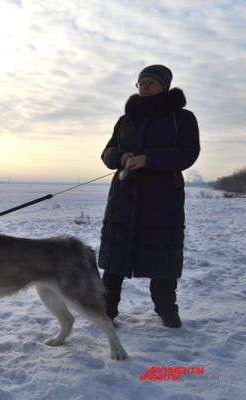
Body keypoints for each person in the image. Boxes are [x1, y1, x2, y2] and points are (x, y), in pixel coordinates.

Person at [98, 64, 200, 328]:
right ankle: (105, 312)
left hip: (163, 199)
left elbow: (188, 153)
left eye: (150, 83)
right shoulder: (126, 119)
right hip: (124, 197)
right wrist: (121, 156)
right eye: (140, 83)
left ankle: (167, 311)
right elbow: (108, 152)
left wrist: (149, 159)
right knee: (115, 259)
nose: (143, 87)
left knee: (163, 258)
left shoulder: (183, 118)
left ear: (164, 85)